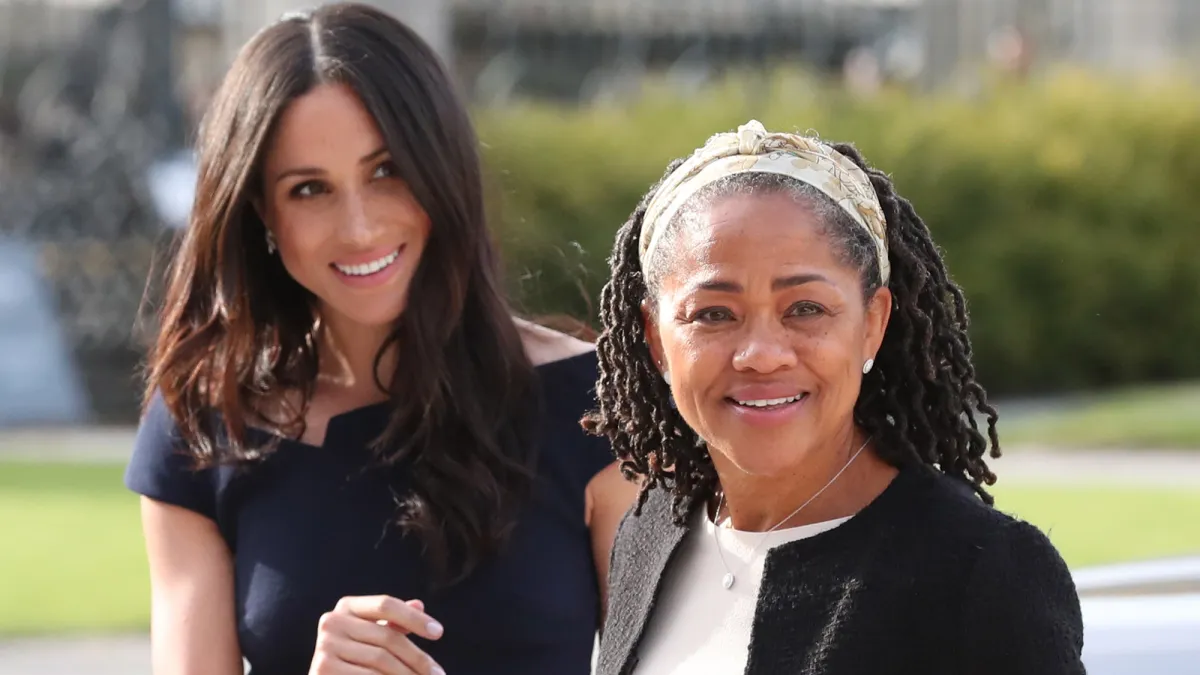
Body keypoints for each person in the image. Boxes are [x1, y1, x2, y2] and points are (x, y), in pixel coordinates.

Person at [125, 4, 636, 674]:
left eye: (386, 170)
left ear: (442, 167)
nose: (360, 227)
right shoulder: (204, 420)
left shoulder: (600, 409)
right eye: (309, 189)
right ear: (261, 214)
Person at [583, 120, 1086, 674]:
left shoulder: (978, 573)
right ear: (656, 339)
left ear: (873, 324)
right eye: (713, 314)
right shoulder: (648, 534)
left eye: (806, 309)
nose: (762, 353)